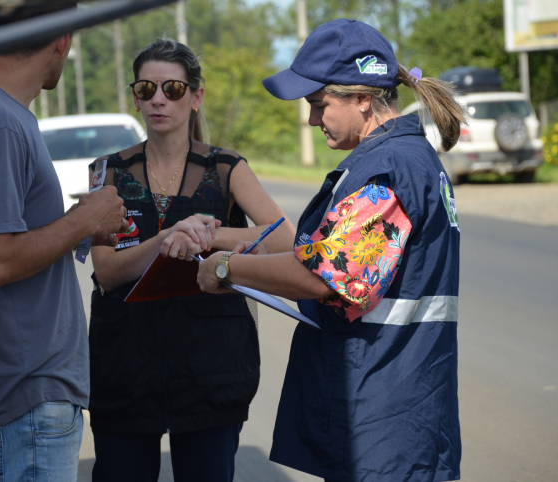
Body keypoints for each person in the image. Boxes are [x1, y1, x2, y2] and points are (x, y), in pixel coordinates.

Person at [197, 19, 465, 482]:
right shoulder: (397, 160)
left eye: (319, 104)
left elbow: (324, 275)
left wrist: (225, 269)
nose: (312, 119)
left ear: (362, 98)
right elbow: (323, 254)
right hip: (390, 406)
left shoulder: (388, 171)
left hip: (385, 422)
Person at [0, 4, 129, 481]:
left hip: (1, 397)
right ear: (61, 39)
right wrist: (84, 220)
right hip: (21, 406)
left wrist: (76, 226)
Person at [87, 38, 295, 482]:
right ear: (136, 96)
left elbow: (285, 240)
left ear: (196, 96)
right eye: (146, 89)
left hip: (211, 367)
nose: (158, 100)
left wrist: (210, 235)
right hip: (125, 367)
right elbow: (106, 270)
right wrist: (165, 239)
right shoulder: (107, 172)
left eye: (173, 90)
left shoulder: (226, 168)